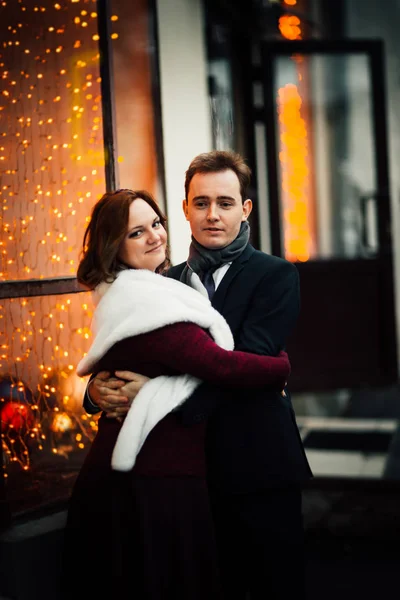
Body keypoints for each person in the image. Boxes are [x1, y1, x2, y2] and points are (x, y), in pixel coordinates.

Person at [85, 151, 313, 600]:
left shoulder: (276, 275)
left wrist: (152, 394)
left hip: (257, 464)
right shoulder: (158, 280)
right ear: (185, 209)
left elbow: (247, 364)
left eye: (225, 203)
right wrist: (96, 390)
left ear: (245, 210)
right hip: (186, 476)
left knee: (272, 586)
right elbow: (121, 350)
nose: (213, 215)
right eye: (201, 202)